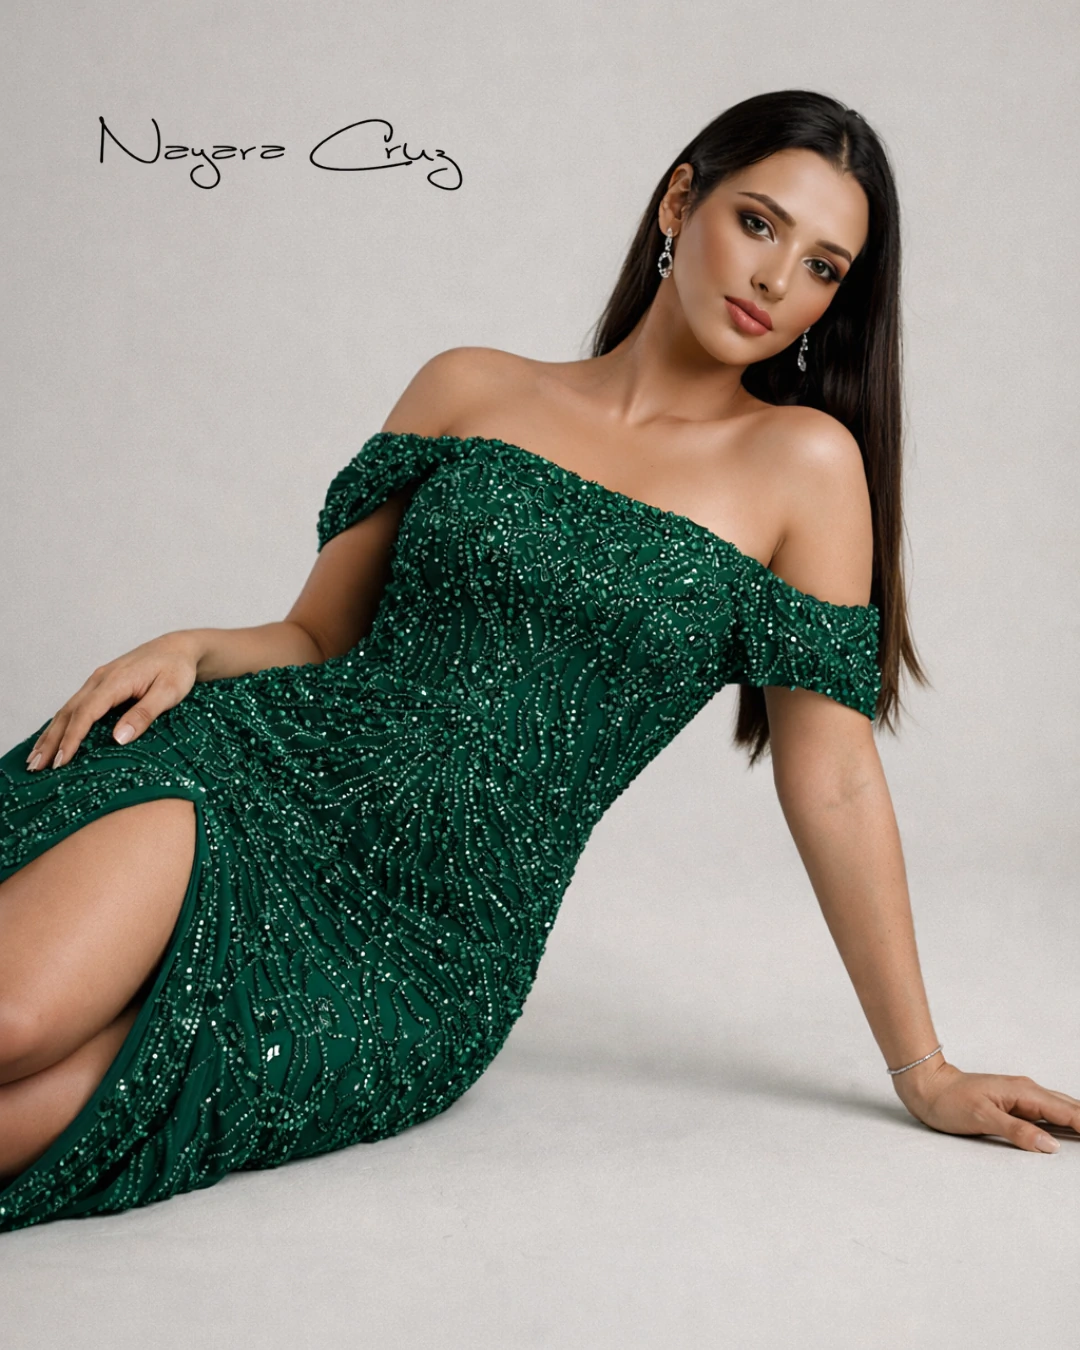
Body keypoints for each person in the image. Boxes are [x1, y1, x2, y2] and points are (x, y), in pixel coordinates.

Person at [1, 89, 1075, 1234]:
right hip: (250, 781)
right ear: (681, 200)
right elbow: (317, 638)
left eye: (821, 267)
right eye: (759, 223)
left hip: (428, 944)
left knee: (43, 1114)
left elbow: (837, 777)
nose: (776, 279)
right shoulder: (471, 385)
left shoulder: (804, 467)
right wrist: (192, 645)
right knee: (14, 1019)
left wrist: (924, 1068)